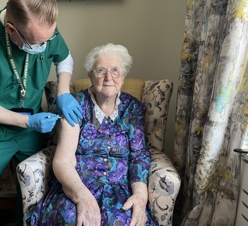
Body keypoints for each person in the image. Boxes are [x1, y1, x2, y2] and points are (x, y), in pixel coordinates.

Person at [0, 0, 82, 226]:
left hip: (31, 129)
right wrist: (28, 121)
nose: (44, 47)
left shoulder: (44, 28)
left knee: (33, 191)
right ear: (11, 30)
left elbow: (64, 58)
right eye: (37, 43)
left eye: (48, 39)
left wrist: (64, 92)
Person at [26, 43, 158, 226]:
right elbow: (63, 160)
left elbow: (138, 157)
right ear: (90, 75)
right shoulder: (74, 105)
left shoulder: (133, 108)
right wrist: (82, 196)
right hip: (77, 186)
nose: (108, 77)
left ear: (124, 75)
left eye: (115, 71)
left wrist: (140, 196)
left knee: (124, 220)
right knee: (72, 220)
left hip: (119, 189)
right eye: (101, 71)